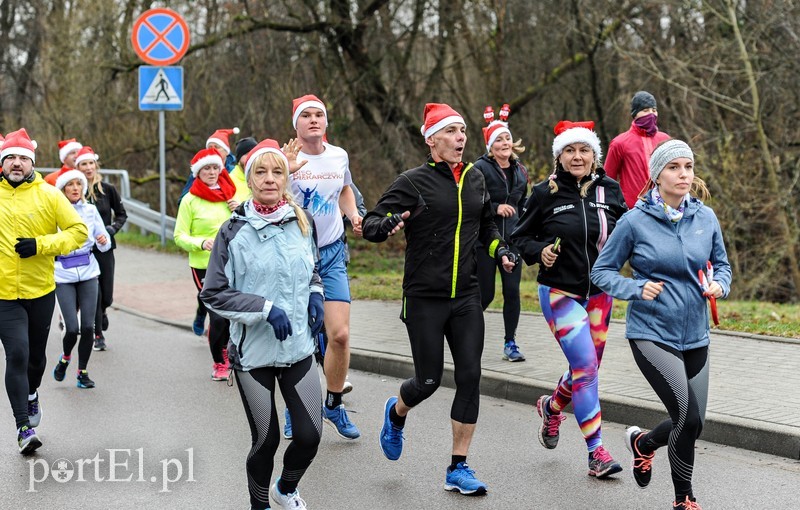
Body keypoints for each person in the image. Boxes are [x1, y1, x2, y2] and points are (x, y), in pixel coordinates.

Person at [363, 103, 517, 495]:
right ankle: (396, 413)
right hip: (424, 297)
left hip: (466, 295)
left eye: (463, 131)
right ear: (431, 140)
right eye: (450, 131)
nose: (460, 138)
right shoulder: (412, 181)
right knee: (428, 380)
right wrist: (391, 223)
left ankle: (458, 467)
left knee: (470, 376)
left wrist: (500, 250)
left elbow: (486, 228)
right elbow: (371, 226)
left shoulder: (477, 178)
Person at [591, 140, 731, 510]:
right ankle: (684, 499)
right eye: (674, 167)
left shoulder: (706, 217)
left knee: (694, 423)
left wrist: (720, 284)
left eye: (688, 166)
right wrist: (636, 288)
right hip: (652, 334)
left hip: (696, 334)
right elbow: (602, 271)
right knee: (687, 415)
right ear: (656, 175)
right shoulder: (634, 222)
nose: (684, 174)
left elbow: (723, 265)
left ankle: (644, 443)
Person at [200, 139, 325, 510]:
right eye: (261, 172)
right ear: (249, 180)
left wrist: (316, 294)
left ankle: (285, 489)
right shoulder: (232, 231)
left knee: (310, 435)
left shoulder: (304, 221)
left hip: (298, 347)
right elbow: (213, 293)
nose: (270, 179)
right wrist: (264, 308)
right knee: (266, 440)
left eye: (277, 172)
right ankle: (260, 505)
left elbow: (314, 268)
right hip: (254, 354)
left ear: (286, 179)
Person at [510, 120, 627, 479]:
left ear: (595, 155)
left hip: (600, 293)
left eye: (584, 150)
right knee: (587, 368)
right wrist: (540, 250)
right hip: (560, 293)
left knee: (585, 367)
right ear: (559, 156)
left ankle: (552, 406)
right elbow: (519, 237)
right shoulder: (546, 192)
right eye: (570, 150)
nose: (578, 157)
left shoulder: (610, 190)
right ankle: (597, 453)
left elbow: (631, 233)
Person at [0, 128, 87, 454]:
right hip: (4, 295)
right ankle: (23, 427)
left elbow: (78, 231)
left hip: (39, 291)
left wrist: (41, 245)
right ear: (3, 163)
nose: (17, 163)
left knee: (36, 359)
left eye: (23, 158)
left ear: (32, 162)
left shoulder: (49, 194)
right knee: (18, 354)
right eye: (10, 158)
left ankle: (32, 393)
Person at [286, 94, 362, 440]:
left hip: (331, 255)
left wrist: (354, 214)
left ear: (326, 123)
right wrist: (285, 173)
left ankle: (332, 403)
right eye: (306, 116)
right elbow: (269, 199)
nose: (314, 120)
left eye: (319, 115)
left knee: (340, 335)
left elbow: (343, 189)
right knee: (299, 337)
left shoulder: (338, 155)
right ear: (297, 125)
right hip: (296, 256)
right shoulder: (286, 160)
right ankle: (293, 406)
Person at [174, 148, 235, 381]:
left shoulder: (230, 195)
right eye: (206, 168)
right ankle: (219, 362)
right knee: (217, 316)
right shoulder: (190, 200)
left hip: (232, 263)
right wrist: (201, 242)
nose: (211, 172)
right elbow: (179, 236)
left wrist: (239, 210)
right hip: (203, 266)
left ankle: (229, 351)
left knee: (232, 313)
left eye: (215, 168)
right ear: (198, 173)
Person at [474, 105, 529, 362]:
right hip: (485, 241)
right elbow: (472, 202)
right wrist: (496, 207)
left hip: (513, 240)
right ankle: (462, 332)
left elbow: (525, 204)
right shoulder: (479, 169)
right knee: (485, 295)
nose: (504, 142)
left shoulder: (521, 170)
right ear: (490, 146)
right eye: (498, 139)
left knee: (512, 292)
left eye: (507, 137)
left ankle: (510, 343)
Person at [51, 169, 112, 388]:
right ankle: (65, 357)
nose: (75, 188)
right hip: (63, 273)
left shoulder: (90, 210)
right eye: (71, 184)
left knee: (88, 327)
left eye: (79, 184)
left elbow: (104, 246)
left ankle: (82, 372)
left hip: (88, 271)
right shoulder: (53, 211)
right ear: (63, 189)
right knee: (72, 328)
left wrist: (103, 240)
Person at [74, 146, 128, 351]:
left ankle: (103, 310)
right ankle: (98, 334)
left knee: (107, 295)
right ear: (78, 167)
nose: (88, 168)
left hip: (105, 247)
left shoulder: (108, 189)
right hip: (85, 250)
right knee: (93, 293)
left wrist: (111, 229)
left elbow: (122, 214)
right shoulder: (75, 190)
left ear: (96, 165)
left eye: (90, 164)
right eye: (83, 164)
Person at [605, 91, 671, 208]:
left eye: (654, 110)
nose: (651, 114)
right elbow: (608, 179)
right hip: (632, 209)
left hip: (664, 207)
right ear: (635, 114)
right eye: (645, 111)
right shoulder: (619, 143)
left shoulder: (665, 140)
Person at [178, 127, 240, 203]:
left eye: (217, 147)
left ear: (226, 151)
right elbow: (183, 200)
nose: (213, 150)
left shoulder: (234, 171)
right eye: (210, 147)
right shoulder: (199, 172)